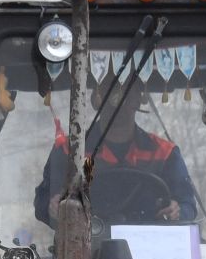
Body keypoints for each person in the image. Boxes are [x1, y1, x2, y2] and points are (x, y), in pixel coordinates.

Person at [35, 77, 196, 228]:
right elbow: (43, 202)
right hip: (84, 251)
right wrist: (53, 207)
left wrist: (177, 211)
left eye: (127, 94)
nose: (119, 103)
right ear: (96, 99)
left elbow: (187, 205)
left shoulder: (164, 153)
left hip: (150, 252)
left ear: (138, 100)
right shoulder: (70, 151)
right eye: (111, 94)